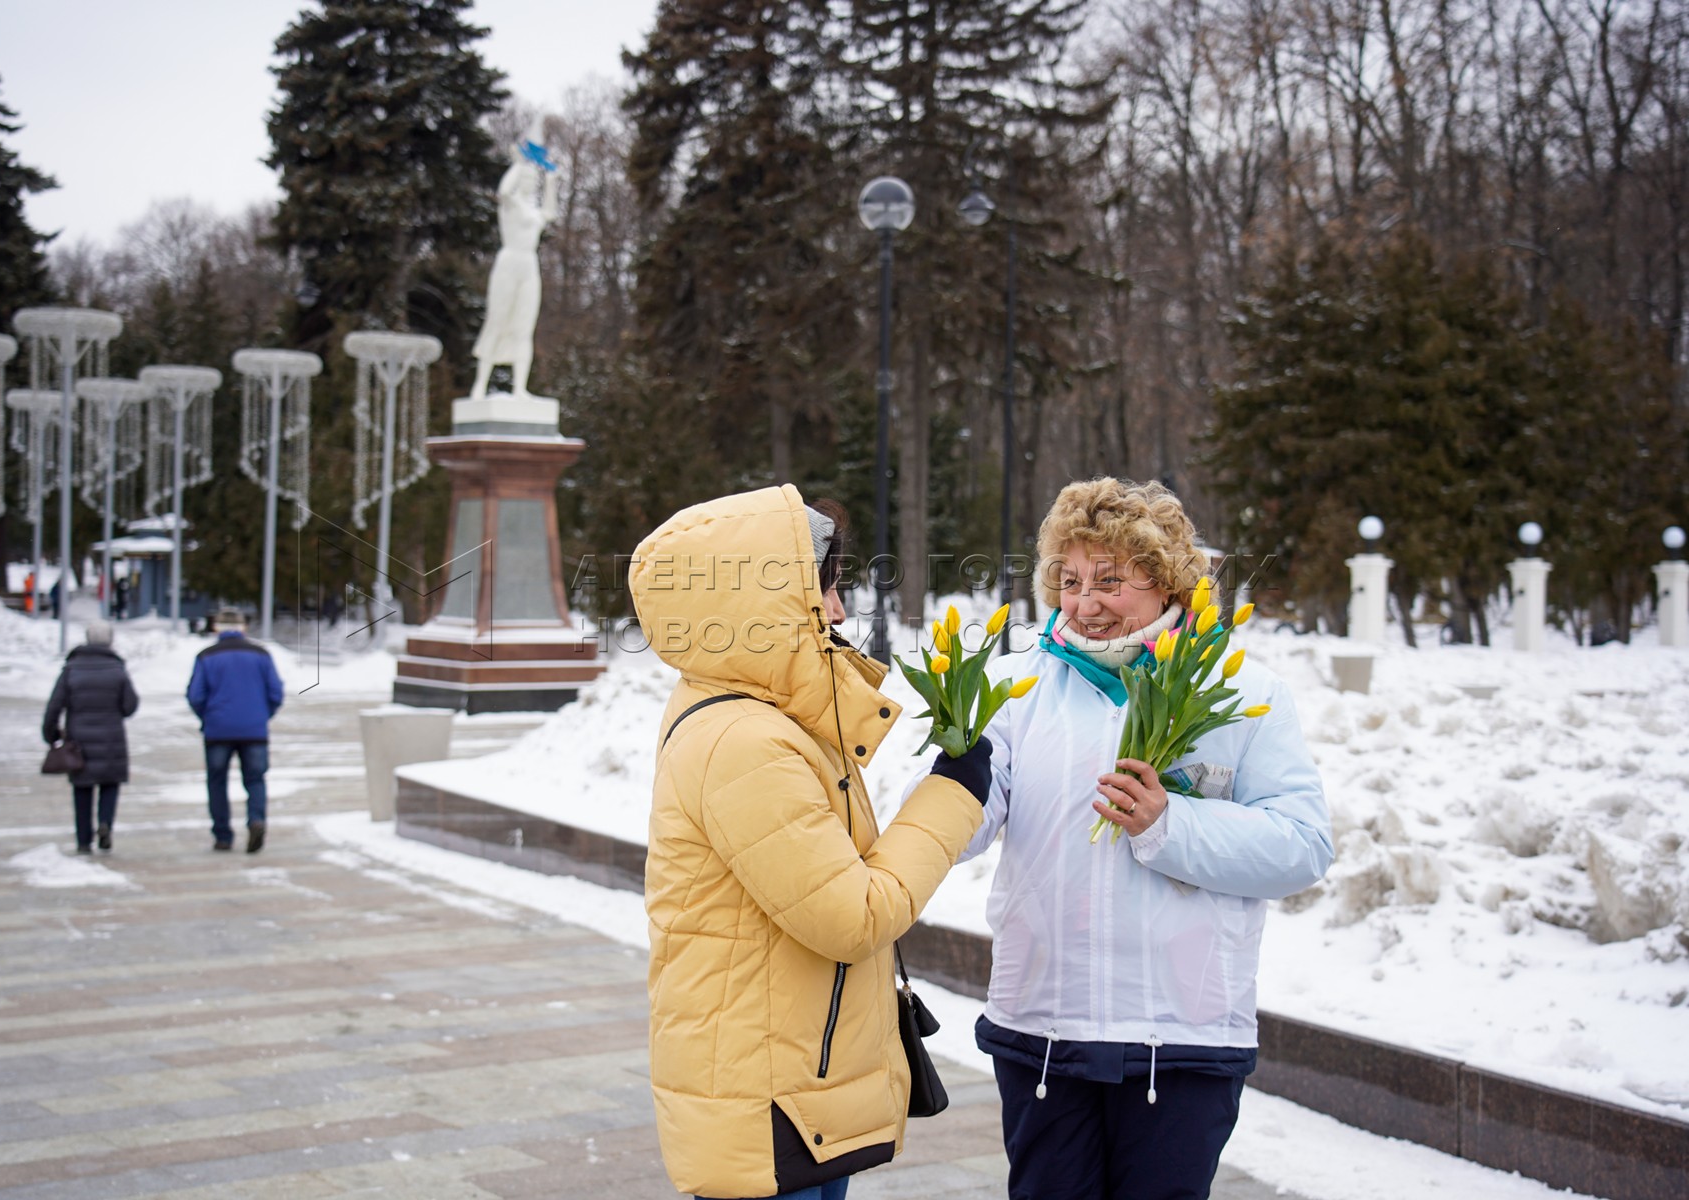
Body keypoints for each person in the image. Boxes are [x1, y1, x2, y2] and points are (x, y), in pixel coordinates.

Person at [957, 478, 1332, 1200]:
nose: (1084, 602)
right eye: (1068, 580)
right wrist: (949, 771)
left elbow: (1302, 845)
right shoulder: (1013, 690)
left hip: (1184, 1039)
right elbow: (961, 828)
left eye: (1110, 580)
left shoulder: (1243, 691)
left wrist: (1172, 825)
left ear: (1165, 585)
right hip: (1044, 1029)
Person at [630, 485, 993, 1200]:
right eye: (822, 591)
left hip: (796, 1086)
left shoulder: (770, 723)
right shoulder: (742, 741)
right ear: (753, 606)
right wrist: (954, 795)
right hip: (768, 1101)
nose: (836, 610)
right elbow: (851, 916)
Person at [468, 128, 560, 401]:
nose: (531, 182)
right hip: (509, 260)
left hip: (529, 265)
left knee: (523, 326)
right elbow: (504, 192)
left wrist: (552, 181)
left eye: (534, 178)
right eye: (527, 177)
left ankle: (520, 388)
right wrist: (518, 165)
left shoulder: (534, 211)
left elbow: (550, 213)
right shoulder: (510, 205)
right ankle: (480, 386)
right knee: (497, 320)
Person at [187, 608, 284, 853]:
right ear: (243, 628)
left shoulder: (206, 656)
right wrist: (262, 715)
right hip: (254, 729)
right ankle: (257, 820)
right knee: (255, 779)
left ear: (217, 627)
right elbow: (275, 692)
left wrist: (208, 717)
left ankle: (222, 835)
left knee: (217, 782)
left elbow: (196, 695)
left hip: (217, 729)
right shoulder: (261, 654)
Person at [42, 621, 139, 854]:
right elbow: (130, 705)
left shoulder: (72, 669)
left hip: (79, 740)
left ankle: (84, 840)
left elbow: (55, 705)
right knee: (109, 783)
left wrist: (50, 733)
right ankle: (105, 823)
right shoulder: (117, 670)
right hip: (111, 739)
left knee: (82, 788)